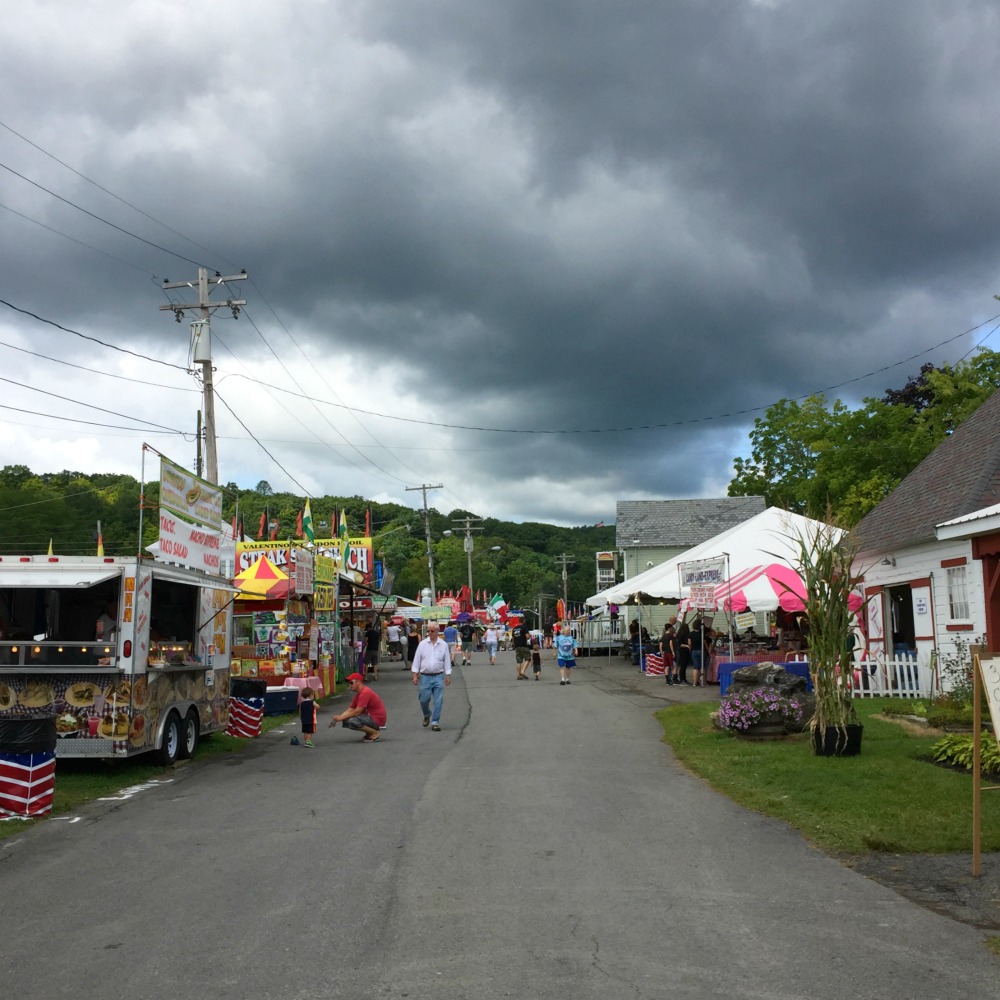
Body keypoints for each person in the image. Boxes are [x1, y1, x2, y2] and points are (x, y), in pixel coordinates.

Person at [411, 623, 451, 730]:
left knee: (438, 700)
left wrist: (448, 675)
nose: (429, 633)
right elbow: (417, 660)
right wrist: (415, 675)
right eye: (428, 631)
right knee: (423, 699)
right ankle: (427, 714)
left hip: (438, 676)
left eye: (432, 631)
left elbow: (447, 660)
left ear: (437, 631)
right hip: (425, 676)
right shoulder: (422, 644)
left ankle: (435, 722)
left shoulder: (443, 645)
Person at [328, 672, 386, 742]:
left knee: (352, 721)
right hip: (370, 718)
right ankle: (369, 733)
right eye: (349, 683)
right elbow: (350, 710)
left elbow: (357, 712)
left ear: (358, 682)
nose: (349, 685)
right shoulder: (359, 695)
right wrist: (337, 719)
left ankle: (374, 733)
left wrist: (340, 718)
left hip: (377, 719)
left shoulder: (365, 693)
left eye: (351, 683)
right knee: (346, 719)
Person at [671, 621, 692, 685]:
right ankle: (682, 679)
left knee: (684, 666)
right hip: (683, 651)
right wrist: (687, 646)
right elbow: (679, 644)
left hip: (683, 651)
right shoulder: (682, 635)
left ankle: (683, 679)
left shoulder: (679, 634)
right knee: (683, 666)